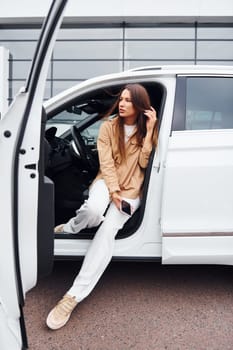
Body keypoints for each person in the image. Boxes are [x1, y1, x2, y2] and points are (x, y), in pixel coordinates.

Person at [46, 83, 158, 330]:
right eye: (122, 99)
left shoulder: (148, 129)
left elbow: (142, 163)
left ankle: (72, 296)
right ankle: (70, 227)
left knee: (108, 230)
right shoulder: (109, 126)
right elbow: (105, 163)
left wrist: (149, 132)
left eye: (129, 100)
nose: (123, 103)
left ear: (140, 104)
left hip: (132, 190)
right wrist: (113, 192)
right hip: (107, 182)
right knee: (93, 211)